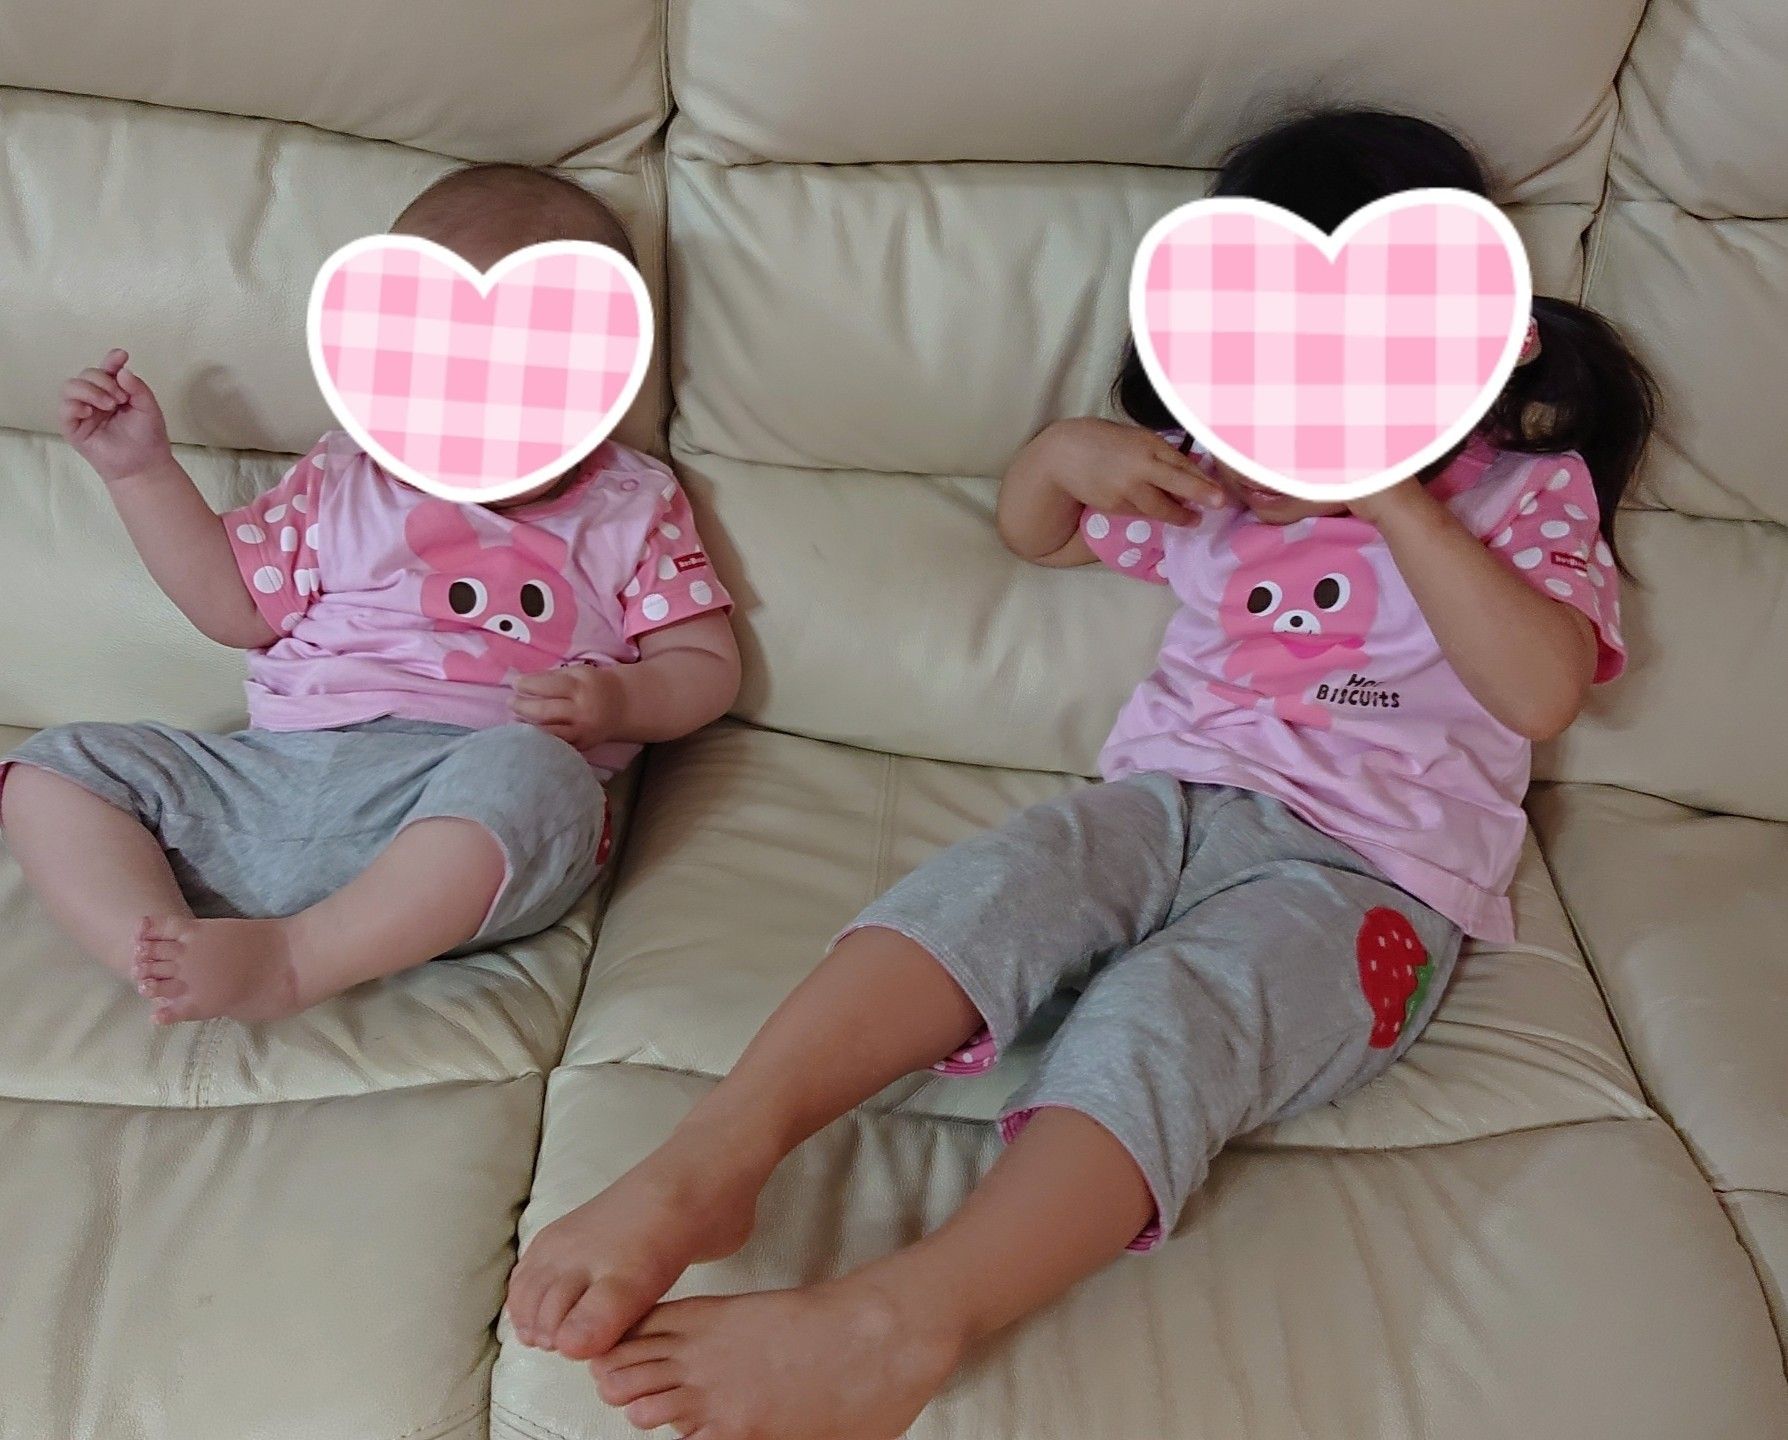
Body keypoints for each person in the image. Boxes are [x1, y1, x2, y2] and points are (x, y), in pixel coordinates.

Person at [503, 109, 1657, 1440]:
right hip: (1163, 803)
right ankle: (715, 1156)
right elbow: (1039, 533)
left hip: (1373, 873)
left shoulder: (1521, 492)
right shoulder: (1221, 485)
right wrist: (1060, 454)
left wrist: (1391, 484)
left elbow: (1540, 689)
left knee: (1173, 1013)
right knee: (1005, 881)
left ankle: (909, 1318)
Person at [2, 164, 739, 1025]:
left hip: (466, 804)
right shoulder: (342, 477)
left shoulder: (630, 502)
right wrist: (140, 474)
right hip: (277, 781)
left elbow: (704, 663)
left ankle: (299, 960)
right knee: (58, 767)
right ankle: (164, 951)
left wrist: (618, 700)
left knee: (545, 778)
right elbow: (232, 606)